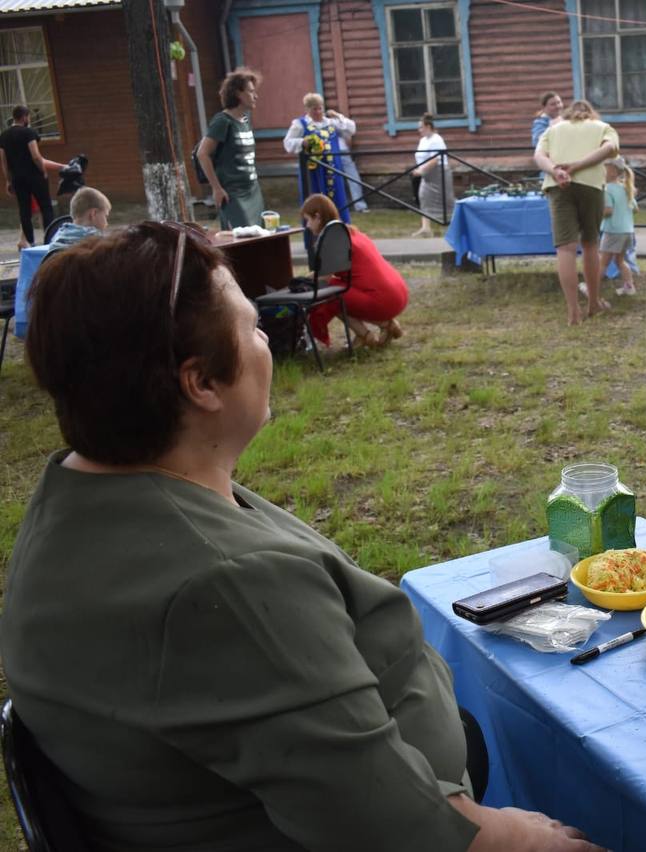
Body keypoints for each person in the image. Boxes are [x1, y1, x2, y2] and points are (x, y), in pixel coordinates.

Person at [1, 222, 602, 852]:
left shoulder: (81, 489)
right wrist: (521, 837)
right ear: (201, 383)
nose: (265, 339)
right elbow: (395, 830)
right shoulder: (224, 585)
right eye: (251, 324)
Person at [534, 99, 619, 325]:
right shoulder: (602, 127)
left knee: (565, 248)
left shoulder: (553, 130)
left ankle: (573, 312)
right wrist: (579, 165)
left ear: (569, 114)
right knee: (590, 244)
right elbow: (610, 149)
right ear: (591, 114)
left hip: (558, 186)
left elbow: (539, 156)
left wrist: (556, 171)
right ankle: (593, 303)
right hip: (591, 186)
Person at [301, 193, 408, 348]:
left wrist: (297, 284)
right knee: (337, 289)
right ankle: (387, 325)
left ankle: (365, 334)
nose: (307, 226)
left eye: (308, 220)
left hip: (384, 300)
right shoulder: (350, 231)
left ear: (318, 217)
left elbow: (323, 279)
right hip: (398, 292)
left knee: (331, 296)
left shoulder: (332, 240)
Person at [198, 67, 266, 230]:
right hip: (232, 194)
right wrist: (216, 188)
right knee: (242, 240)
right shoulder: (222, 121)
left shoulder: (245, 120)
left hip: (253, 191)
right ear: (237, 93)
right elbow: (203, 153)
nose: (255, 96)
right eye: (250, 91)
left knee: (261, 239)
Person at [0, 105, 66, 246]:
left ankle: (30, 242)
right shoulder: (28, 133)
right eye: (28, 117)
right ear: (24, 117)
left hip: (17, 178)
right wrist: (43, 171)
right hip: (34, 176)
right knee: (45, 207)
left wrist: (8, 180)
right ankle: (48, 239)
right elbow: (36, 156)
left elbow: (4, 161)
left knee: (24, 210)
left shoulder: (4, 136)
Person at [283, 93, 352, 223]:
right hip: (313, 172)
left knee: (338, 201)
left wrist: (338, 115)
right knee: (315, 203)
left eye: (320, 108)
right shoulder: (300, 124)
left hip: (333, 171)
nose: (318, 112)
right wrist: (302, 142)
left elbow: (351, 129)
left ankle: (341, 233)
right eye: (314, 109)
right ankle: (315, 238)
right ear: (307, 109)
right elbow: (287, 143)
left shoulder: (331, 123)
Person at [411, 113, 453, 237]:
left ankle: (455, 224)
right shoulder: (423, 140)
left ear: (428, 126)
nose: (419, 130)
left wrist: (421, 170)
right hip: (427, 174)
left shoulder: (436, 139)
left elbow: (435, 159)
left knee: (447, 200)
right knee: (423, 197)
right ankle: (426, 228)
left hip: (438, 173)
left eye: (421, 127)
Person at [601, 157, 638, 296]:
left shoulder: (607, 189)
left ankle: (591, 288)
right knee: (620, 260)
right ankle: (629, 287)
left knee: (602, 263)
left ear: (612, 172)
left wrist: (595, 213)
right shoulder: (626, 188)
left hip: (613, 231)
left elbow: (608, 211)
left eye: (603, 168)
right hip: (628, 232)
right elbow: (635, 209)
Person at [45, 185, 110, 251]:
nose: (107, 223)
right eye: (105, 216)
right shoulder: (95, 240)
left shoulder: (57, 236)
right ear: (93, 213)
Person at [333, 108, 371, 213]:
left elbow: (351, 128)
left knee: (354, 179)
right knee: (332, 180)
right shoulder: (321, 125)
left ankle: (360, 206)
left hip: (344, 152)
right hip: (330, 153)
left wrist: (337, 115)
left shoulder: (341, 123)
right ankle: (335, 207)